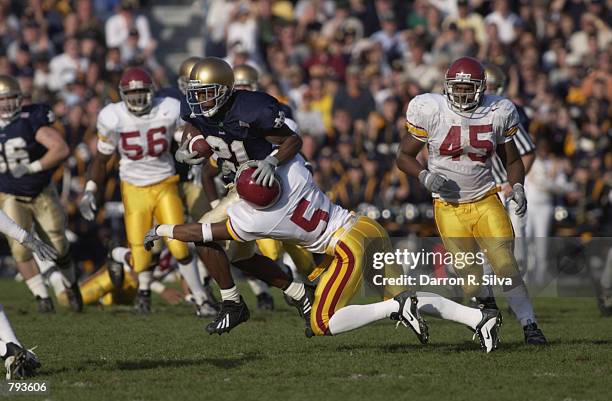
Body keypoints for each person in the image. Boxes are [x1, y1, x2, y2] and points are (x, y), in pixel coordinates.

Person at [144, 156, 503, 353]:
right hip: (365, 226)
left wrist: (162, 230)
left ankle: (397, 309)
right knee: (400, 292)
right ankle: (478, 319)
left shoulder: (253, 217)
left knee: (322, 322)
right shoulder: (294, 172)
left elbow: (204, 231)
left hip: (346, 247)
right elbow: (289, 146)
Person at [396, 57, 547, 345]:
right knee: (469, 277)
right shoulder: (431, 110)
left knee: (504, 262)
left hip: (485, 199)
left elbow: (513, 159)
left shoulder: (497, 110)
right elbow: (403, 156)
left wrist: (518, 186)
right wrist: (425, 176)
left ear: (481, 88)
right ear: (447, 87)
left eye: (469, 88)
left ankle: (530, 325)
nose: (463, 94)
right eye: (458, 87)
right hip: (448, 206)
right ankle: (489, 317)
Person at [173, 57, 314, 332]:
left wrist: (272, 162)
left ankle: (233, 304)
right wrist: (186, 145)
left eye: (206, 92)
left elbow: (293, 140)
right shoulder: (197, 109)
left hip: (263, 185)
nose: (200, 100)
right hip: (236, 187)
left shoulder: (252, 107)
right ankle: (301, 294)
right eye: (196, 93)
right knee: (240, 256)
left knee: (203, 235)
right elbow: (193, 125)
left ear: (225, 89)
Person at [78, 66, 215, 316]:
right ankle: (119, 254)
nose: (138, 99)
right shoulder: (112, 116)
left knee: (180, 246)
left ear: (152, 92)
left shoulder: (168, 108)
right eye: (132, 94)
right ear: (121, 95)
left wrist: (188, 147)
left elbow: (184, 135)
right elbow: (100, 159)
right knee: (141, 260)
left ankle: (202, 299)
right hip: (134, 189)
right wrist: (90, 189)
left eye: (142, 93)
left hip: (165, 184)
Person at [0, 75, 82, 313]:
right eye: (1, 100)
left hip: (40, 192)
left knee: (57, 244)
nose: (5, 105)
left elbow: (61, 148)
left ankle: (71, 284)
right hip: (10, 195)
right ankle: (42, 298)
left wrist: (32, 167)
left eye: (10, 99)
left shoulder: (30, 118)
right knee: (19, 247)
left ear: (20, 100)